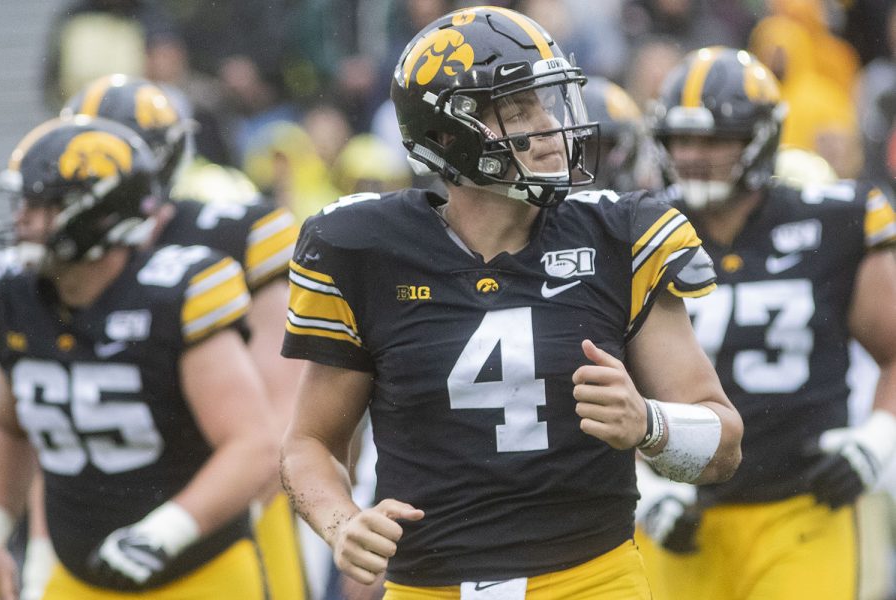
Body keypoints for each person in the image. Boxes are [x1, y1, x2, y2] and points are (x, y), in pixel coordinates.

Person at [278, 6, 743, 599]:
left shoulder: (619, 236)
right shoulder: (366, 250)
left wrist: (649, 425)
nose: (549, 126)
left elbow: (724, 446)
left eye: (548, 103)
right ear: (449, 135)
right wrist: (340, 523)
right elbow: (309, 442)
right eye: (519, 110)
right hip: (428, 588)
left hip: (591, 580)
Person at [636, 46, 896, 600]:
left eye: (713, 139)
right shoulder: (639, 230)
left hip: (802, 505)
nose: (691, 154)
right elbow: (591, 370)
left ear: (761, 137)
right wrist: (640, 485)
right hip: (684, 514)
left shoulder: (832, 219)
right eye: (680, 138)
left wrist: (878, 439)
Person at [0, 116, 277, 598]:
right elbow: (8, 425)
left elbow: (253, 445)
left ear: (98, 214)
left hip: (198, 574)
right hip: (77, 572)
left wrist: (162, 534)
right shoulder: (15, 297)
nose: (23, 219)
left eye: (42, 205)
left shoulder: (173, 295)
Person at [50, 74, 307, 600]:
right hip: (99, 504)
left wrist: (211, 520)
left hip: (230, 505)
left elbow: (280, 414)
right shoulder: (57, 261)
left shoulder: (235, 233)